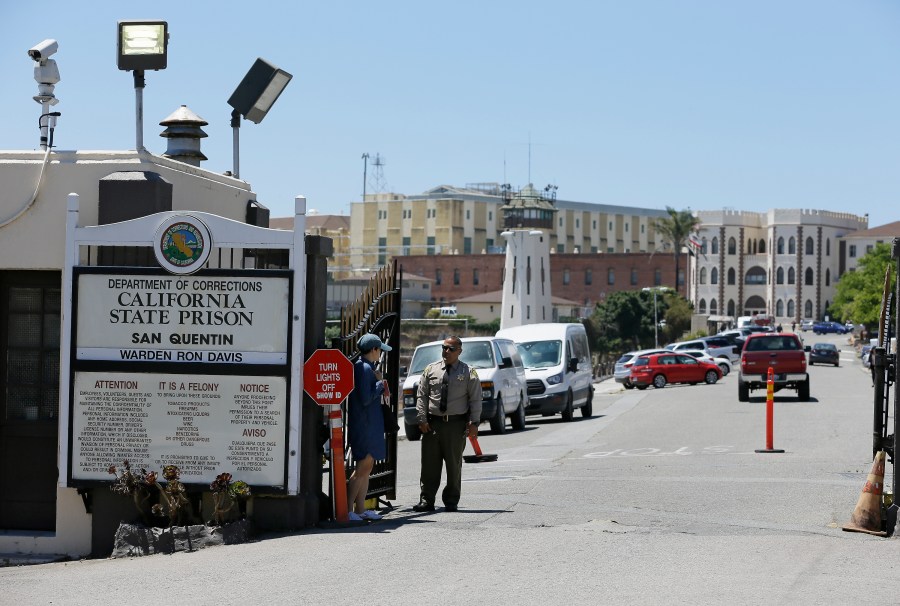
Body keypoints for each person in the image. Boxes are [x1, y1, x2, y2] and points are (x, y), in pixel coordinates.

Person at [413, 335, 482, 512]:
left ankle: (451, 500)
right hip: (432, 424)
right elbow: (422, 395)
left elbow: (475, 399)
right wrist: (421, 418)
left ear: (460, 351)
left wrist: (474, 423)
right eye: (444, 347)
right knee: (429, 465)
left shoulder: (468, 372)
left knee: (453, 465)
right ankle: (426, 499)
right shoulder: (431, 369)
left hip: (455, 425)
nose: (447, 351)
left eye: (451, 349)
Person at [346, 333, 392, 521]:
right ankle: (348, 510)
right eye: (379, 349)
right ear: (373, 350)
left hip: (370, 424)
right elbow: (366, 398)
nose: (380, 353)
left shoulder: (367, 367)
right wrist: (380, 383)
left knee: (368, 467)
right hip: (364, 426)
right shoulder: (363, 368)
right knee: (362, 467)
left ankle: (360, 509)